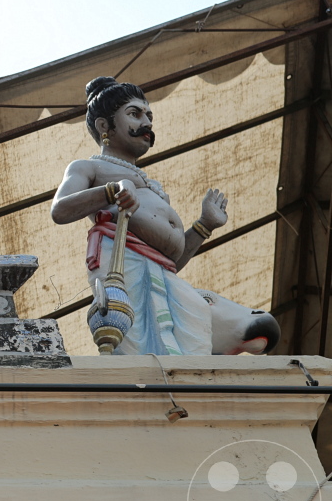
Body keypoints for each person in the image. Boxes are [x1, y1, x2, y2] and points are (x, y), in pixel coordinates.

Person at [51, 76, 279, 355]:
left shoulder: (150, 185)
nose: (146, 123)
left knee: (190, 346)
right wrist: (112, 192)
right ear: (104, 126)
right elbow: (60, 210)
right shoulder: (88, 167)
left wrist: (203, 226)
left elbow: (170, 261)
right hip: (126, 273)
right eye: (134, 114)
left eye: (149, 115)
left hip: (164, 278)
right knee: (144, 355)